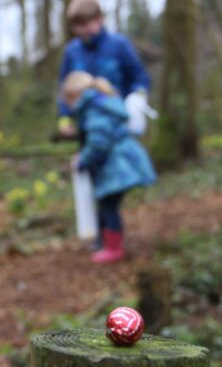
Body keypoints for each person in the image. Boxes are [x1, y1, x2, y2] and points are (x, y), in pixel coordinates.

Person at [63, 71, 156, 264]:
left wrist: (83, 160)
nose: (68, 106)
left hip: (117, 166)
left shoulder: (93, 110)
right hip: (119, 163)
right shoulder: (100, 104)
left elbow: (98, 142)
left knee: (108, 206)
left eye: (68, 100)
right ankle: (109, 245)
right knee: (107, 205)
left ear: (75, 94)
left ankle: (113, 248)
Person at [57, 0, 152, 139]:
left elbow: (140, 76)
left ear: (99, 19)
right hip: (88, 128)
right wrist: (64, 117)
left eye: (86, 24)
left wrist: (137, 97)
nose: (81, 30)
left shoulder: (119, 45)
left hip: (119, 126)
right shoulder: (72, 51)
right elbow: (65, 88)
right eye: (77, 26)